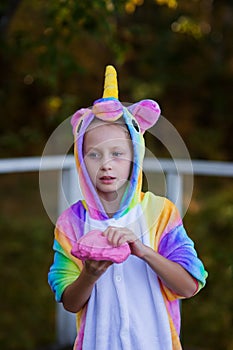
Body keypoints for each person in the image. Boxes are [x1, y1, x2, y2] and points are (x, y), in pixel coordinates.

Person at [48, 65, 208, 350]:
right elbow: (70, 303)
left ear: (136, 156)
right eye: (94, 154)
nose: (106, 164)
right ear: (81, 160)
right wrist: (90, 273)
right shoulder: (70, 222)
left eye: (118, 153)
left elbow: (188, 286)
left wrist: (143, 251)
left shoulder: (161, 213)